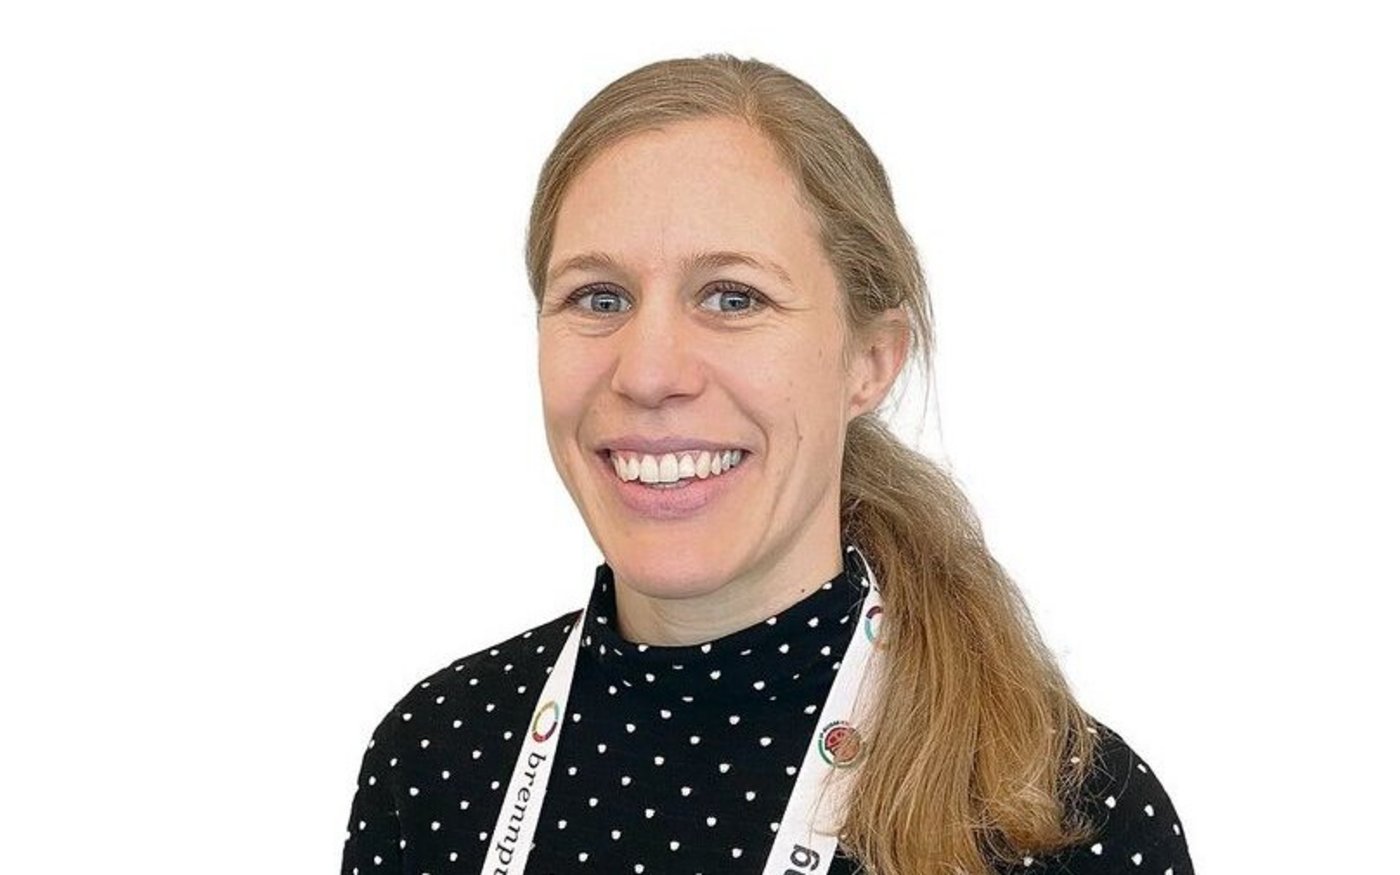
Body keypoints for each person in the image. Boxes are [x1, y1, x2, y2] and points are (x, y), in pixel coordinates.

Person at [340, 54, 1194, 875]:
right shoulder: (438, 757)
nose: (649, 373)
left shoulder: (1065, 818)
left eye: (733, 297)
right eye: (599, 297)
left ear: (870, 360)